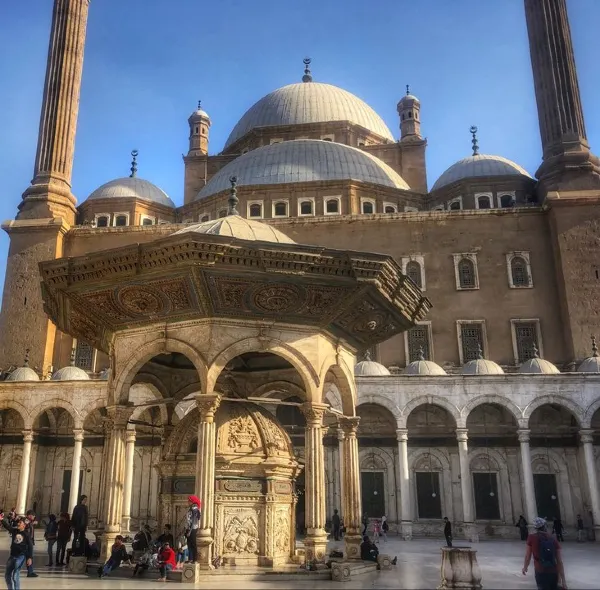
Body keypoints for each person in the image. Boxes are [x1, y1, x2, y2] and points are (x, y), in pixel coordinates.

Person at [522, 516, 567, 590]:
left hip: (540, 571)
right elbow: (559, 561)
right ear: (544, 526)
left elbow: (528, 556)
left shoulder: (531, 538)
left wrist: (525, 567)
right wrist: (563, 581)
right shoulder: (552, 538)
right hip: (553, 571)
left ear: (535, 528)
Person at [1, 513, 33, 590]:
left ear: (24, 525)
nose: (18, 524)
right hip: (12, 556)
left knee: (15, 576)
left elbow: (30, 546)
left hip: (20, 556)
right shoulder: (15, 531)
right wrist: (2, 520)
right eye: (18, 522)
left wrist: (29, 558)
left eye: (20, 523)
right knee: (7, 575)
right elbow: (8, 527)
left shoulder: (26, 534)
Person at [185, 495, 201, 563]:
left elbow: (194, 521)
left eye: (189, 501)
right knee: (189, 544)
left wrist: (190, 531)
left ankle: (194, 559)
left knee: (193, 544)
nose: (188, 502)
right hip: (189, 528)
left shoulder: (195, 509)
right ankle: (190, 558)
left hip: (193, 529)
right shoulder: (191, 509)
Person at [25, 510, 38, 578]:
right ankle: (30, 572)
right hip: (26, 543)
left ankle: (30, 572)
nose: (34, 517)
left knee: (29, 557)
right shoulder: (26, 521)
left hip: (30, 542)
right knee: (27, 557)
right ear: (29, 515)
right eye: (33, 516)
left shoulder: (30, 522)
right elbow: (26, 530)